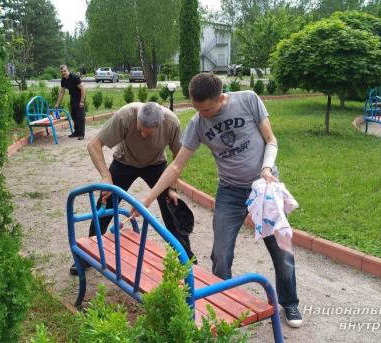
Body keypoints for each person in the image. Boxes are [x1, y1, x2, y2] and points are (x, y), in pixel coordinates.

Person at [134, 73, 302, 328]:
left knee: (281, 250)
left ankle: (289, 302)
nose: (202, 115)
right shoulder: (197, 124)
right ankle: (223, 303)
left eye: (207, 109)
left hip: (263, 189)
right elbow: (176, 167)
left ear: (221, 97)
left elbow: (271, 140)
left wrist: (267, 168)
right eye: (197, 109)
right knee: (221, 253)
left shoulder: (248, 100)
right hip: (230, 192)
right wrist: (147, 199)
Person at [69, 102, 195, 275]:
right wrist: (107, 177)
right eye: (140, 129)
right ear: (137, 119)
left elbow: (179, 158)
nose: (143, 134)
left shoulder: (171, 123)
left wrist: (172, 187)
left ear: (160, 124)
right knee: (105, 203)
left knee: (171, 205)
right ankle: (87, 253)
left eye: (149, 132)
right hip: (125, 162)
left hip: (156, 164)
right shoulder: (125, 116)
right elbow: (94, 145)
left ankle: (186, 259)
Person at [55, 65, 86, 140]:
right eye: (62, 72)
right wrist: (57, 103)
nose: (63, 73)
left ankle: (81, 134)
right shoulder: (63, 80)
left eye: (64, 71)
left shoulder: (74, 77)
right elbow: (62, 92)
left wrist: (82, 101)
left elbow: (83, 88)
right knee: (73, 114)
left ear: (67, 70)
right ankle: (76, 132)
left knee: (80, 115)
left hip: (80, 97)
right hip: (73, 97)